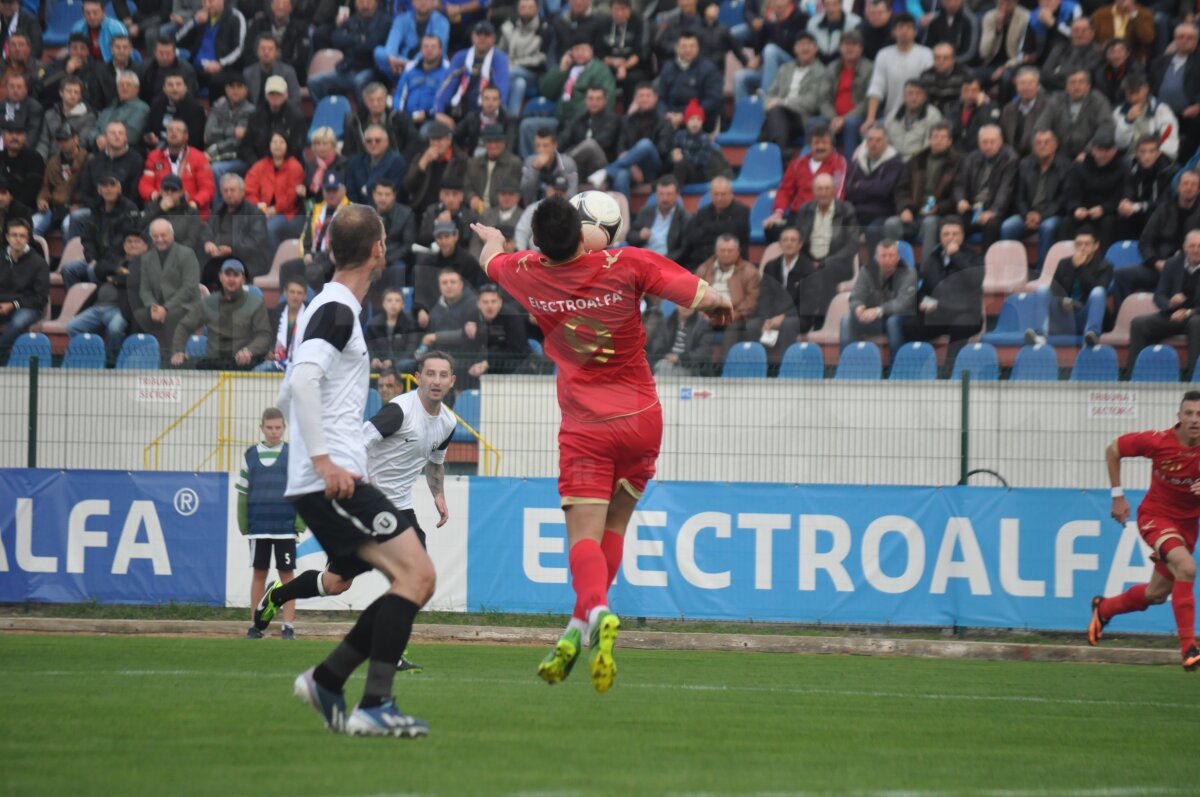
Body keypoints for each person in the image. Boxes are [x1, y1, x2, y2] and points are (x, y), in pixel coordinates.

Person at [471, 197, 733, 692]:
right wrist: (719, 303)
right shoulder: (626, 261)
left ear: (537, 242)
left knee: (583, 540)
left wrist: (493, 239)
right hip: (641, 419)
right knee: (615, 526)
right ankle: (577, 628)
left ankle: (597, 611)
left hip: (587, 426)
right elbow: (699, 294)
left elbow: (490, 258)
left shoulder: (525, 271)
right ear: (586, 233)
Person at [277, 203, 436, 735]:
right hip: (333, 481)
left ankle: (329, 682)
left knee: (408, 578)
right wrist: (325, 460)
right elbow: (302, 382)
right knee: (417, 575)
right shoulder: (337, 308)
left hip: (332, 478)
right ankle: (372, 704)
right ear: (378, 250)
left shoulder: (329, 307)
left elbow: (291, 387)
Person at [261, 350, 457, 676]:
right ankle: (278, 595)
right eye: (430, 374)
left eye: (443, 375)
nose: (436, 381)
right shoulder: (399, 411)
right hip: (368, 504)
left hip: (400, 507)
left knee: (416, 577)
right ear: (419, 377)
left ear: (452, 382)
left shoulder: (448, 423)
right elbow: (359, 442)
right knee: (337, 584)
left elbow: (436, 461)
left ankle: (391, 649)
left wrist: (439, 494)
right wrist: (364, 489)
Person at [1089, 390, 1200, 672]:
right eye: (1189, 413)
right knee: (1187, 567)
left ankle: (1104, 608)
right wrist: (1117, 496)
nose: (1195, 420)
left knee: (1156, 594)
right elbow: (1113, 449)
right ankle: (1189, 647)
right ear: (1179, 417)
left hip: (1188, 527)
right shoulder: (1158, 441)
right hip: (1156, 518)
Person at [239, 407, 302, 640]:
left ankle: (288, 625)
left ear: (284, 428)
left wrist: (299, 521)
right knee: (259, 573)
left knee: (287, 575)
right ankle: (255, 625)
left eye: (278, 428)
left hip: (285, 527)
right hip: (259, 526)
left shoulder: (293, 454)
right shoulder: (250, 455)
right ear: (262, 428)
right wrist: (243, 522)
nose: (274, 432)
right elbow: (243, 491)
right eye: (269, 428)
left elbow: (301, 490)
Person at [902, 215, 983, 369]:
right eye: (946, 234)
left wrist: (955, 255)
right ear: (940, 237)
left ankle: (950, 370)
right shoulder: (932, 259)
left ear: (962, 236)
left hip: (966, 313)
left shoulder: (975, 257)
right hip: (939, 314)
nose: (950, 238)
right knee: (911, 325)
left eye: (955, 234)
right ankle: (920, 368)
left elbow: (974, 280)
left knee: (961, 325)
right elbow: (923, 290)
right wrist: (923, 301)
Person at [171, 258, 273, 369]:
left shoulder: (255, 303)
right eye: (228, 274)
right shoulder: (209, 302)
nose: (231, 279)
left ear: (243, 279)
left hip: (244, 364)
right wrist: (178, 351)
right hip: (214, 364)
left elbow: (264, 335)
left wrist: (250, 350)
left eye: (236, 275)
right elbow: (184, 326)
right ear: (221, 277)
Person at [1128, 232, 1200, 377]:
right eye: (1192, 246)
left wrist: (1188, 312)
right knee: (1138, 323)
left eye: (1199, 246)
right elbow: (1159, 295)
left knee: (1196, 323)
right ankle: (1133, 375)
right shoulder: (1172, 264)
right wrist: (1170, 303)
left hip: (1195, 316)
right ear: (1185, 248)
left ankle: (1193, 376)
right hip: (1171, 315)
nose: (1196, 250)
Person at [1025, 228, 1112, 347]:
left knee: (1098, 291)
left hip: (1085, 315)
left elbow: (1099, 294)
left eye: (1087, 244)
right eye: (1079, 244)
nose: (1082, 248)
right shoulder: (1064, 263)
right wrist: (1063, 301)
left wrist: (1081, 268)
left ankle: (1092, 335)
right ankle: (1040, 335)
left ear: (1096, 246)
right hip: (1064, 314)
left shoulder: (1105, 266)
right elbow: (1055, 291)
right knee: (1042, 290)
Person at [1000, 128, 1071, 270]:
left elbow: (1063, 199)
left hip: (1053, 215)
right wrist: (1027, 214)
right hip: (1028, 214)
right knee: (1008, 226)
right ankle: (1011, 271)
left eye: (1046, 142)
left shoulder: (1066, 166)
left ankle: (1042, 272)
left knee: (1047, 227)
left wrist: (1042, 216)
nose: (1042, 146)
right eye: (1038, 143)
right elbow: (1018, 196)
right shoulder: (1024, 164)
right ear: (1033, 146)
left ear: (1055, 145)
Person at [135, 218, 201, 354]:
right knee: (139, 315)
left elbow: (190, 288)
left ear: (172, 235)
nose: (159, 239)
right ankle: (143, 357)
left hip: (186, 306)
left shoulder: (187, 254)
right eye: (155, 236)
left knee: (172, 316)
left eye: (163, 235)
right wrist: (153, 307)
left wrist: (166, 308)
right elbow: (144, 289)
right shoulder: (146, 258)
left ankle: (173, 357)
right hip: (158, 306)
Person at [841, 238, 916, 356]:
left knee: (892, 322)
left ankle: (897, 365)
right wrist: (858, 308)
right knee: (847, 320)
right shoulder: (866, 271)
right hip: (874, 318)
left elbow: (903, 303)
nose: (887, 260)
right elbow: (856, 296)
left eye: (891, 255)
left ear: (898, 257)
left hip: (899, 316)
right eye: (883, 256)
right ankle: (847, 363)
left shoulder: (909, 272)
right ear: (876, 258)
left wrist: (878, 310)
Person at [140, 119, 216, 218]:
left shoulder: (199, 157)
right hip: (161, 210)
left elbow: (207, 189)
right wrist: (156, 196)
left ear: (186, 136)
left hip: (189, 213)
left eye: (178, 130)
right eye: (170, 130)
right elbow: (145, 184)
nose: (174, 133)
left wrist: (193, 203)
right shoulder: (154, 156)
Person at [0, 217, 48, 362]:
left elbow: (40, 299)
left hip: (28, 307)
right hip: (2, 304)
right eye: (14, 235)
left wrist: (13, 305)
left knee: (17, 323)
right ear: (7, 237)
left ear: (27, 239)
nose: (18, 239)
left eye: (22, 236)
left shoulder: (39, 263)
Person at [628, 176, 690, 265]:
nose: (665, 198)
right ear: (656, 195)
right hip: (643, 261)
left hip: (668, 263)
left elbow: (684, 249)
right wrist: (639, 236)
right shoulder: (645, 212)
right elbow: (629, 236)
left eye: (669, 194)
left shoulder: (684, 218)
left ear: (676, 195)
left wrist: (663, 262)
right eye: (661, 194)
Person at [367, 286, 419, 373]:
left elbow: (411, 349)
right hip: (380, 364)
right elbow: (369, 347)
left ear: (403, 305)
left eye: (397, 301)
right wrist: (373, 359)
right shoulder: (374, 324)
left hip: (401, 363)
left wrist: (392, 362)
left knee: (404, 365)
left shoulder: (410, 323)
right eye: (389, 300)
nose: (393, 304)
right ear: (383, 304)